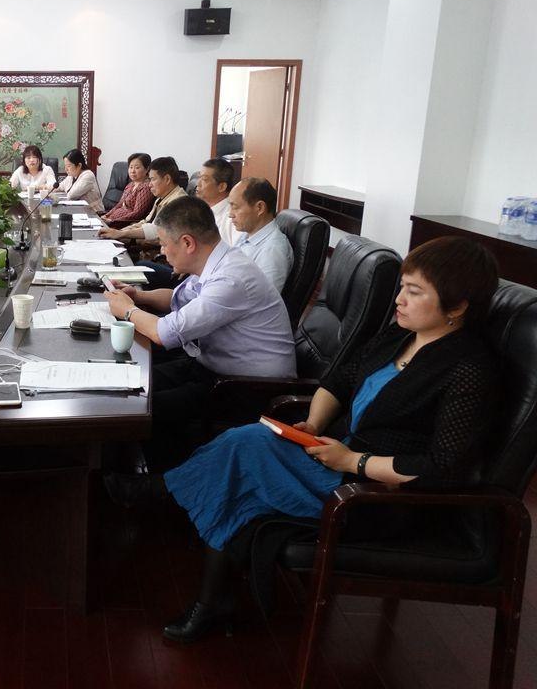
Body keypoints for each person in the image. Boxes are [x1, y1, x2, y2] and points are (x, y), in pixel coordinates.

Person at [115, 236, 499, 644]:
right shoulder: (400, 335)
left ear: (457, 306)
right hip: (339, 456)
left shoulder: (468, 369)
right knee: (242, 467)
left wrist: (353, 461)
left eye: (415, 292)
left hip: (378, 495)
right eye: (402, 286)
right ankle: (210, 599)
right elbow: (338, 380)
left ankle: (160, 492)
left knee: (246, 446)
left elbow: (442, 467)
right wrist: (314, 423)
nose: (399, 300)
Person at [104, 196, 295, 470]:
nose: (162, 251)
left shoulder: (231, 278)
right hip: (210, 367)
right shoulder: (217, 262)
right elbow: (176, 300)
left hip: (246, 388)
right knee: (128, 383)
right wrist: (139, 297)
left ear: (187, 243)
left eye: (164, 243)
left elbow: (164, 333)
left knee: (140, 407)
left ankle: (158, 480)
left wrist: (127, 310)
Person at [98, 156, 188, 244]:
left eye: (152, 179)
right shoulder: (161, 198)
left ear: (167, 179)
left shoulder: (179, 202)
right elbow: (146, 222)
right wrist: (119, 232)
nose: (150, 185)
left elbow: (160, 234)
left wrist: (125, 236)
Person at [228, 177, 294, 292]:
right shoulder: (247, 235)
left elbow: (262, 299)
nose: (230, 214)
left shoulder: (272, 250)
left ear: (259, 208)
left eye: (235, 207)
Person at [191, 158, 238, 245]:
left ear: (221, 187)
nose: (198, 184)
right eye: (199, 177)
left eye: (204, 179)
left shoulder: (232, 218)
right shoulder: (198, 209)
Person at [102, 152, 155, 227]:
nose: (132, 171)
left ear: (147, 169)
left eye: (137, 168)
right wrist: (106, 215)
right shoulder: (130, 185)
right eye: (131, 167)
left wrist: (113, 221)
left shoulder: (146, 187)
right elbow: (119, 205)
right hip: (111, 220)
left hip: (123, 225)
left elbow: (137, 213)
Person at [56, 148, 103, 213]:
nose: (66, 169)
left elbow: (72, 195)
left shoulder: (88, 176)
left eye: (68, 166)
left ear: (79, 165)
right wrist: (44, 188)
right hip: (80, 211)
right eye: (65, 166)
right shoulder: (72, 175)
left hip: (94, 213)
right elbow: (59, 187)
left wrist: (65, 189)